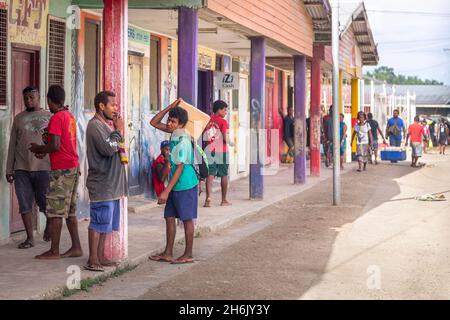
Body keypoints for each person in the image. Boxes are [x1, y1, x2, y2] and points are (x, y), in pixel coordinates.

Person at [29, 85, 83, 260]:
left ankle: (54, 250)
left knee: (55, 210)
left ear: (50, 100)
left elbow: (55, 145)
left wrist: (39, 147)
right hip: (73, 167)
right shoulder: (69, 116)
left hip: (62, 170)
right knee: (70, 210)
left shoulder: (57, 118)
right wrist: (44, 150)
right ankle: (76, 247)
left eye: (48, 102)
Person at [149, 99, 199, 264]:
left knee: (186, 219)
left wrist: (166, 190)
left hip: (185, 183)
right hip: (175, 184)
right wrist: (169, 108)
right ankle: (168, 252)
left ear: (181, 124)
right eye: (169, 120)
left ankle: (188, 254)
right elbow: (154, 122)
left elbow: (178, 168)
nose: (169, 123)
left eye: (173, 121)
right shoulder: (174, 133)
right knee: (170, 217)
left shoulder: (183, 141)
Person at [84, 91, 128, 272]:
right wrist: (118, 130)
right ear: (101, 106)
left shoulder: (106, 126)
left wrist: (116, 131)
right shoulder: (95, 126)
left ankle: (101, 256)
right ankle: (92, 259)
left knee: (106, 223)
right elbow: (108, 149)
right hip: (102, 183)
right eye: (112, 105)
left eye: (116, 105)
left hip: (112, 185)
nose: (115, 109)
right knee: (98, 221)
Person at [6, 87, 52, 249]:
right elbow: (13, 145)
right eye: (26, 98)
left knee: (44, 202)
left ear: (39, 98)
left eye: (32, 97)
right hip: (21, 168)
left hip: (44, 168)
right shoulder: (19, 119)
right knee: (24, 203)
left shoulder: (49, 116)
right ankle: (30, 238)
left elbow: (54, 144)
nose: (28, 101)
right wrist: (9, 169)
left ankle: (49, 225)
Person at [203, 100, 232, 207]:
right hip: (222, 151)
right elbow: (225, 138)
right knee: (224, 175)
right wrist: (230, 142)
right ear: (219, 110)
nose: (225, 112)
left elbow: (205, 135)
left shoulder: (208, 120)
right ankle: (223, 200)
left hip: (210, 150)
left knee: (210, 174)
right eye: (224, 110)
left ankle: (208, 198)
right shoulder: (223, 122)